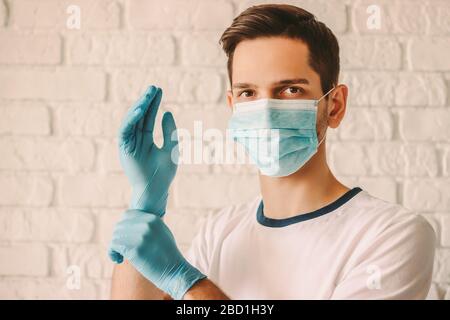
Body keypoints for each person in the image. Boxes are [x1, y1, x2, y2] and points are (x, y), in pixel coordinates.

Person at [108, 4, 436, 300]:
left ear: (334, 106)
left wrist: (186, 282)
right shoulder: (220, 231)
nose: (265, 111)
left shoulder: (391, 235)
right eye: (249, 93)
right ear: (233, 106)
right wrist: (145, 209)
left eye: (290, 90)